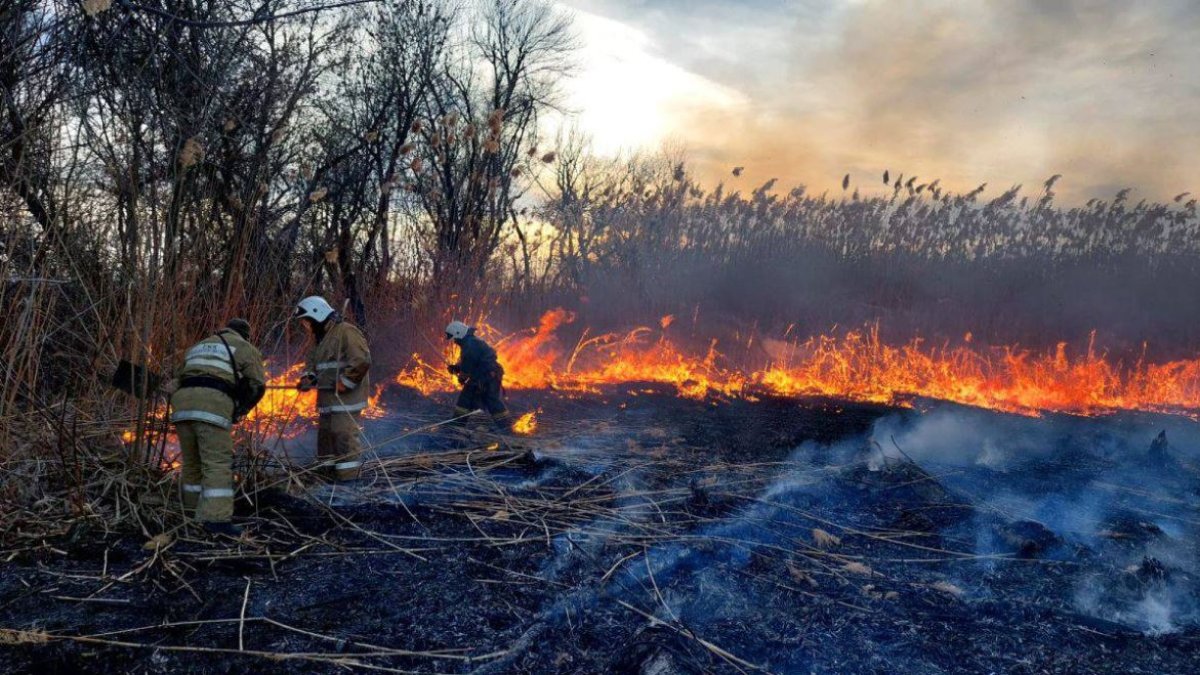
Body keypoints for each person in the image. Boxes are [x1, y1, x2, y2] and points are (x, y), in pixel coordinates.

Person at [167, 318, 266, 537]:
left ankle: (191, 512)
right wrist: (240, 409)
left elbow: (177, 378)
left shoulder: (199, 345)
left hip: (182, 405)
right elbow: (257, 384)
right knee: (217, 463)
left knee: (192, 463)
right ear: (244, 335)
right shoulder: (244, 347)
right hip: (211, 403)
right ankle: (216, 520)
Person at [293, 296, 371, 481]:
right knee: (325, 441)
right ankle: (326, 477)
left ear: (317, 315)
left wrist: (346, 381)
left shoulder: (346, 331)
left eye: (307, 321)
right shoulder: (320, 339)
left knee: (343, 436)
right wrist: (308, 378)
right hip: (327, 400)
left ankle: (349, 480)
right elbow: (313, 364)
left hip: (346, 399)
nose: (306, 326)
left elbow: (361, 360)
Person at [445, 320, 512, 432]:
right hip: (483, 375)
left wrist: (462, 376)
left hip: (488, 376)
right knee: (469, 398)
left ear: (458, 333)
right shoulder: (470, 342)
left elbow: (469, 363)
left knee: (491, 401)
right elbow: (468, 361)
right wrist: (456, 368)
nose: (455, 341)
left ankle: (506, 427)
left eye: (454, 338)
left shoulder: (470, 345)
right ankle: (458, 424)